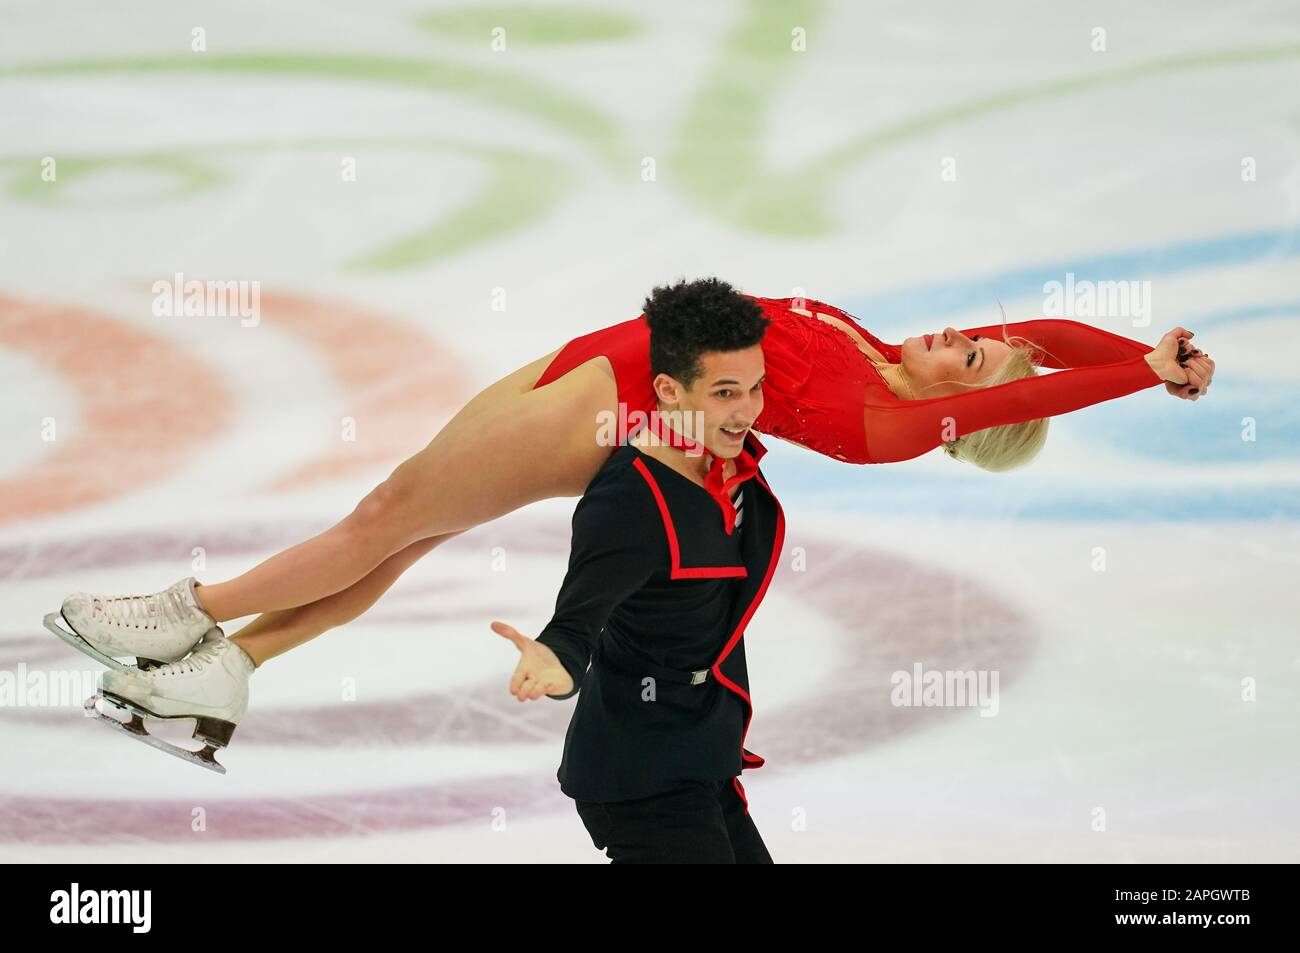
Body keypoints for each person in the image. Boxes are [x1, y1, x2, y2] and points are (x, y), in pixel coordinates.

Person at [46, 278, 1214, 764]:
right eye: (980, 337)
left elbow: (1027, 389)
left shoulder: (895, 420)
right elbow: (1046, 346)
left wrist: (1136, 378)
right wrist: (1147, 350)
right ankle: (226, 670)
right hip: (602, 361)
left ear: (965, 412)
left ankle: (181, 615)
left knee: (385, 515)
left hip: (610, 406)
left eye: (976, 359)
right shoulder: (893, 355)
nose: (971, 337)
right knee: (406, 526)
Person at [491, 286, 780, 861]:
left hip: (703, 756)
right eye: (725, 392)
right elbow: (575, 624)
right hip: (640, 775)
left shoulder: (726, 458)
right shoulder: (629, 501)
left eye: (756, 387)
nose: (747, 410)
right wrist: (554, 663)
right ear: (669, 391)